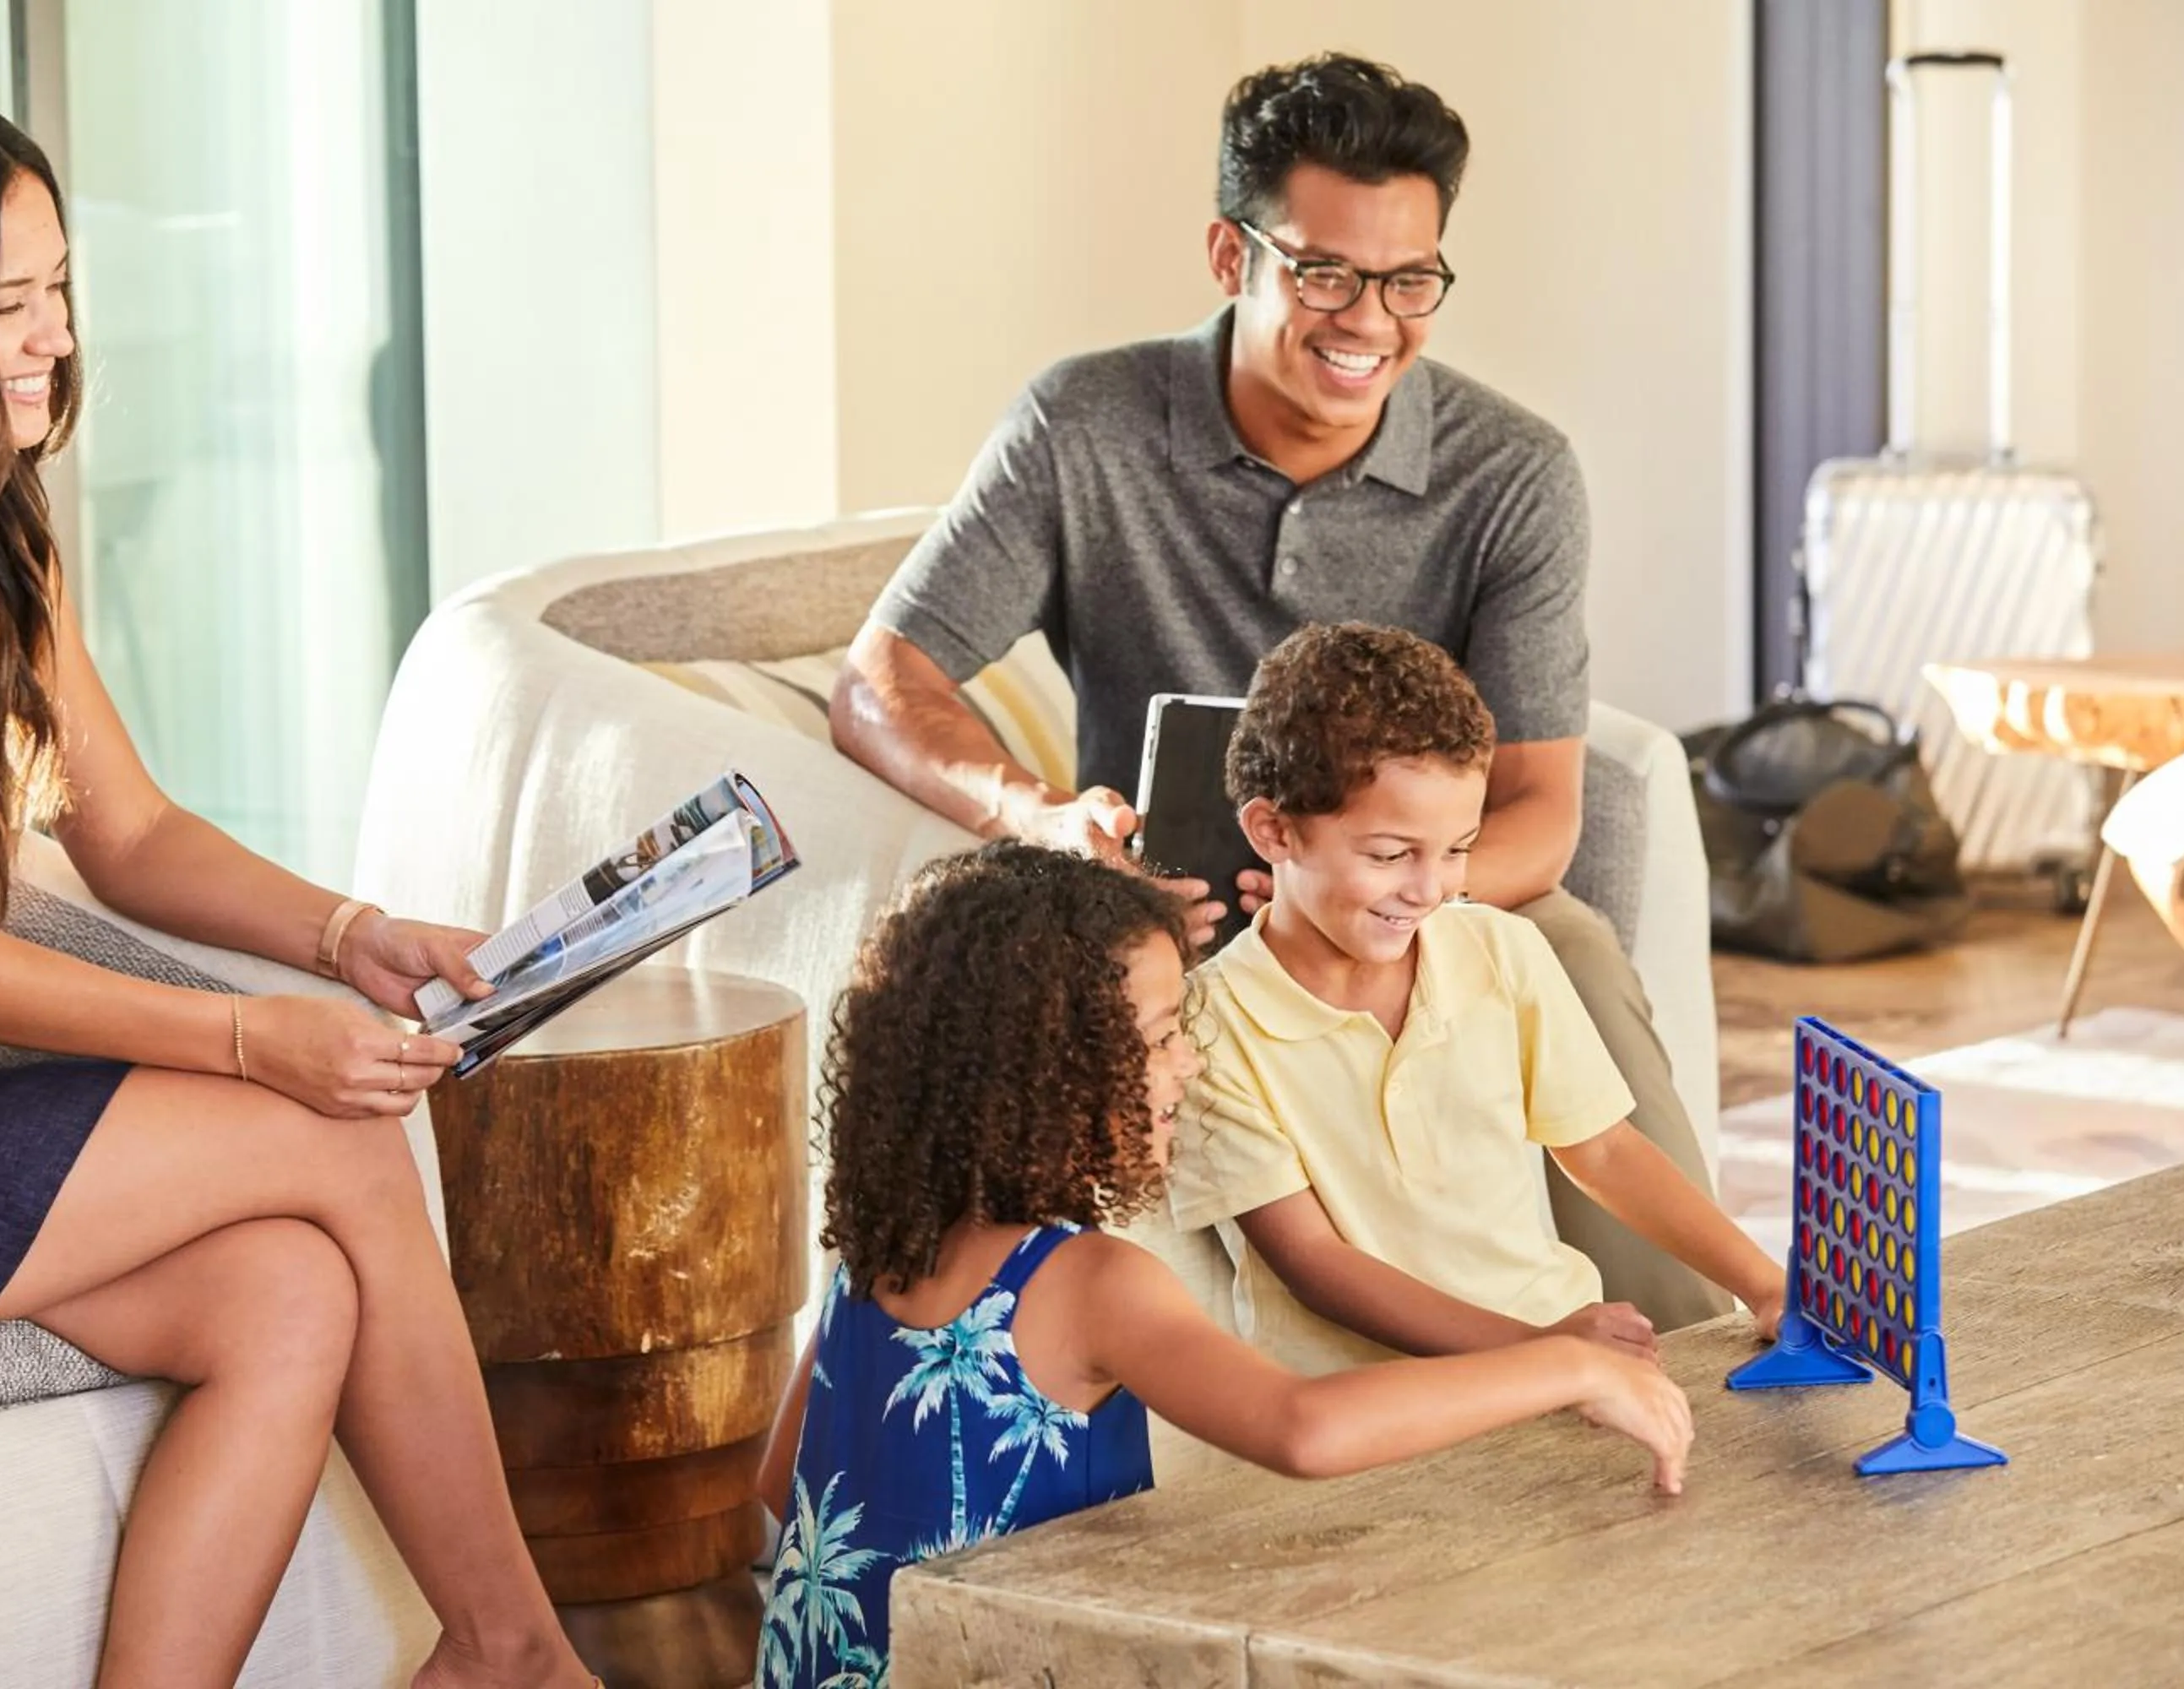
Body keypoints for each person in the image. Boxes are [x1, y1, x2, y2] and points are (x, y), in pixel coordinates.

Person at [0, 91, 591, 1689]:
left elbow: (133, 833)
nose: (56, 342)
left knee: (283, 1298)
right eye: (9, 305)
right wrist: (249, 1044)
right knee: (342, 1138)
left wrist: (354, 939)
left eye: (62, 292)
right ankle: (512, 1654)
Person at [829, 51, 1726, 1329]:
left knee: (1565, 944)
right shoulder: (1084, 424)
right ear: (1227, 253)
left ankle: (1697, 1344)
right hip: (1162, 912)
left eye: (1410, 280)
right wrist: (1036, 820)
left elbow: (1543, 811)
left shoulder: (1515, 473)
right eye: (1322, 272)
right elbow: (880, 680)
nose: (1368, 320)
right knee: (1008, 988)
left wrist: (1391, 885)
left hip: (1406, 907)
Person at [752, 841, 1693, 1689]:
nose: (1186, 1066)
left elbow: (780, 1476)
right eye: (1162, 1036)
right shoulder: (1087, 1282)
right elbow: (1301, 1426)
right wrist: (1567, 1363)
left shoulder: (878, 1244)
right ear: (1050, 1070)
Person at [1166, 623, 1785, 1380]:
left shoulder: (1503, 951)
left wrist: (1766, 1284)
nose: (1431, 888)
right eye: (1391, 855)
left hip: (1552, 1363)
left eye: (1458, 848)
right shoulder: (1207, 1025)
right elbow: (1314, 1264)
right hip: (1369, 1410)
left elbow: (1603, 1150)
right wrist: (1537, 1353)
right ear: (1274, 831)